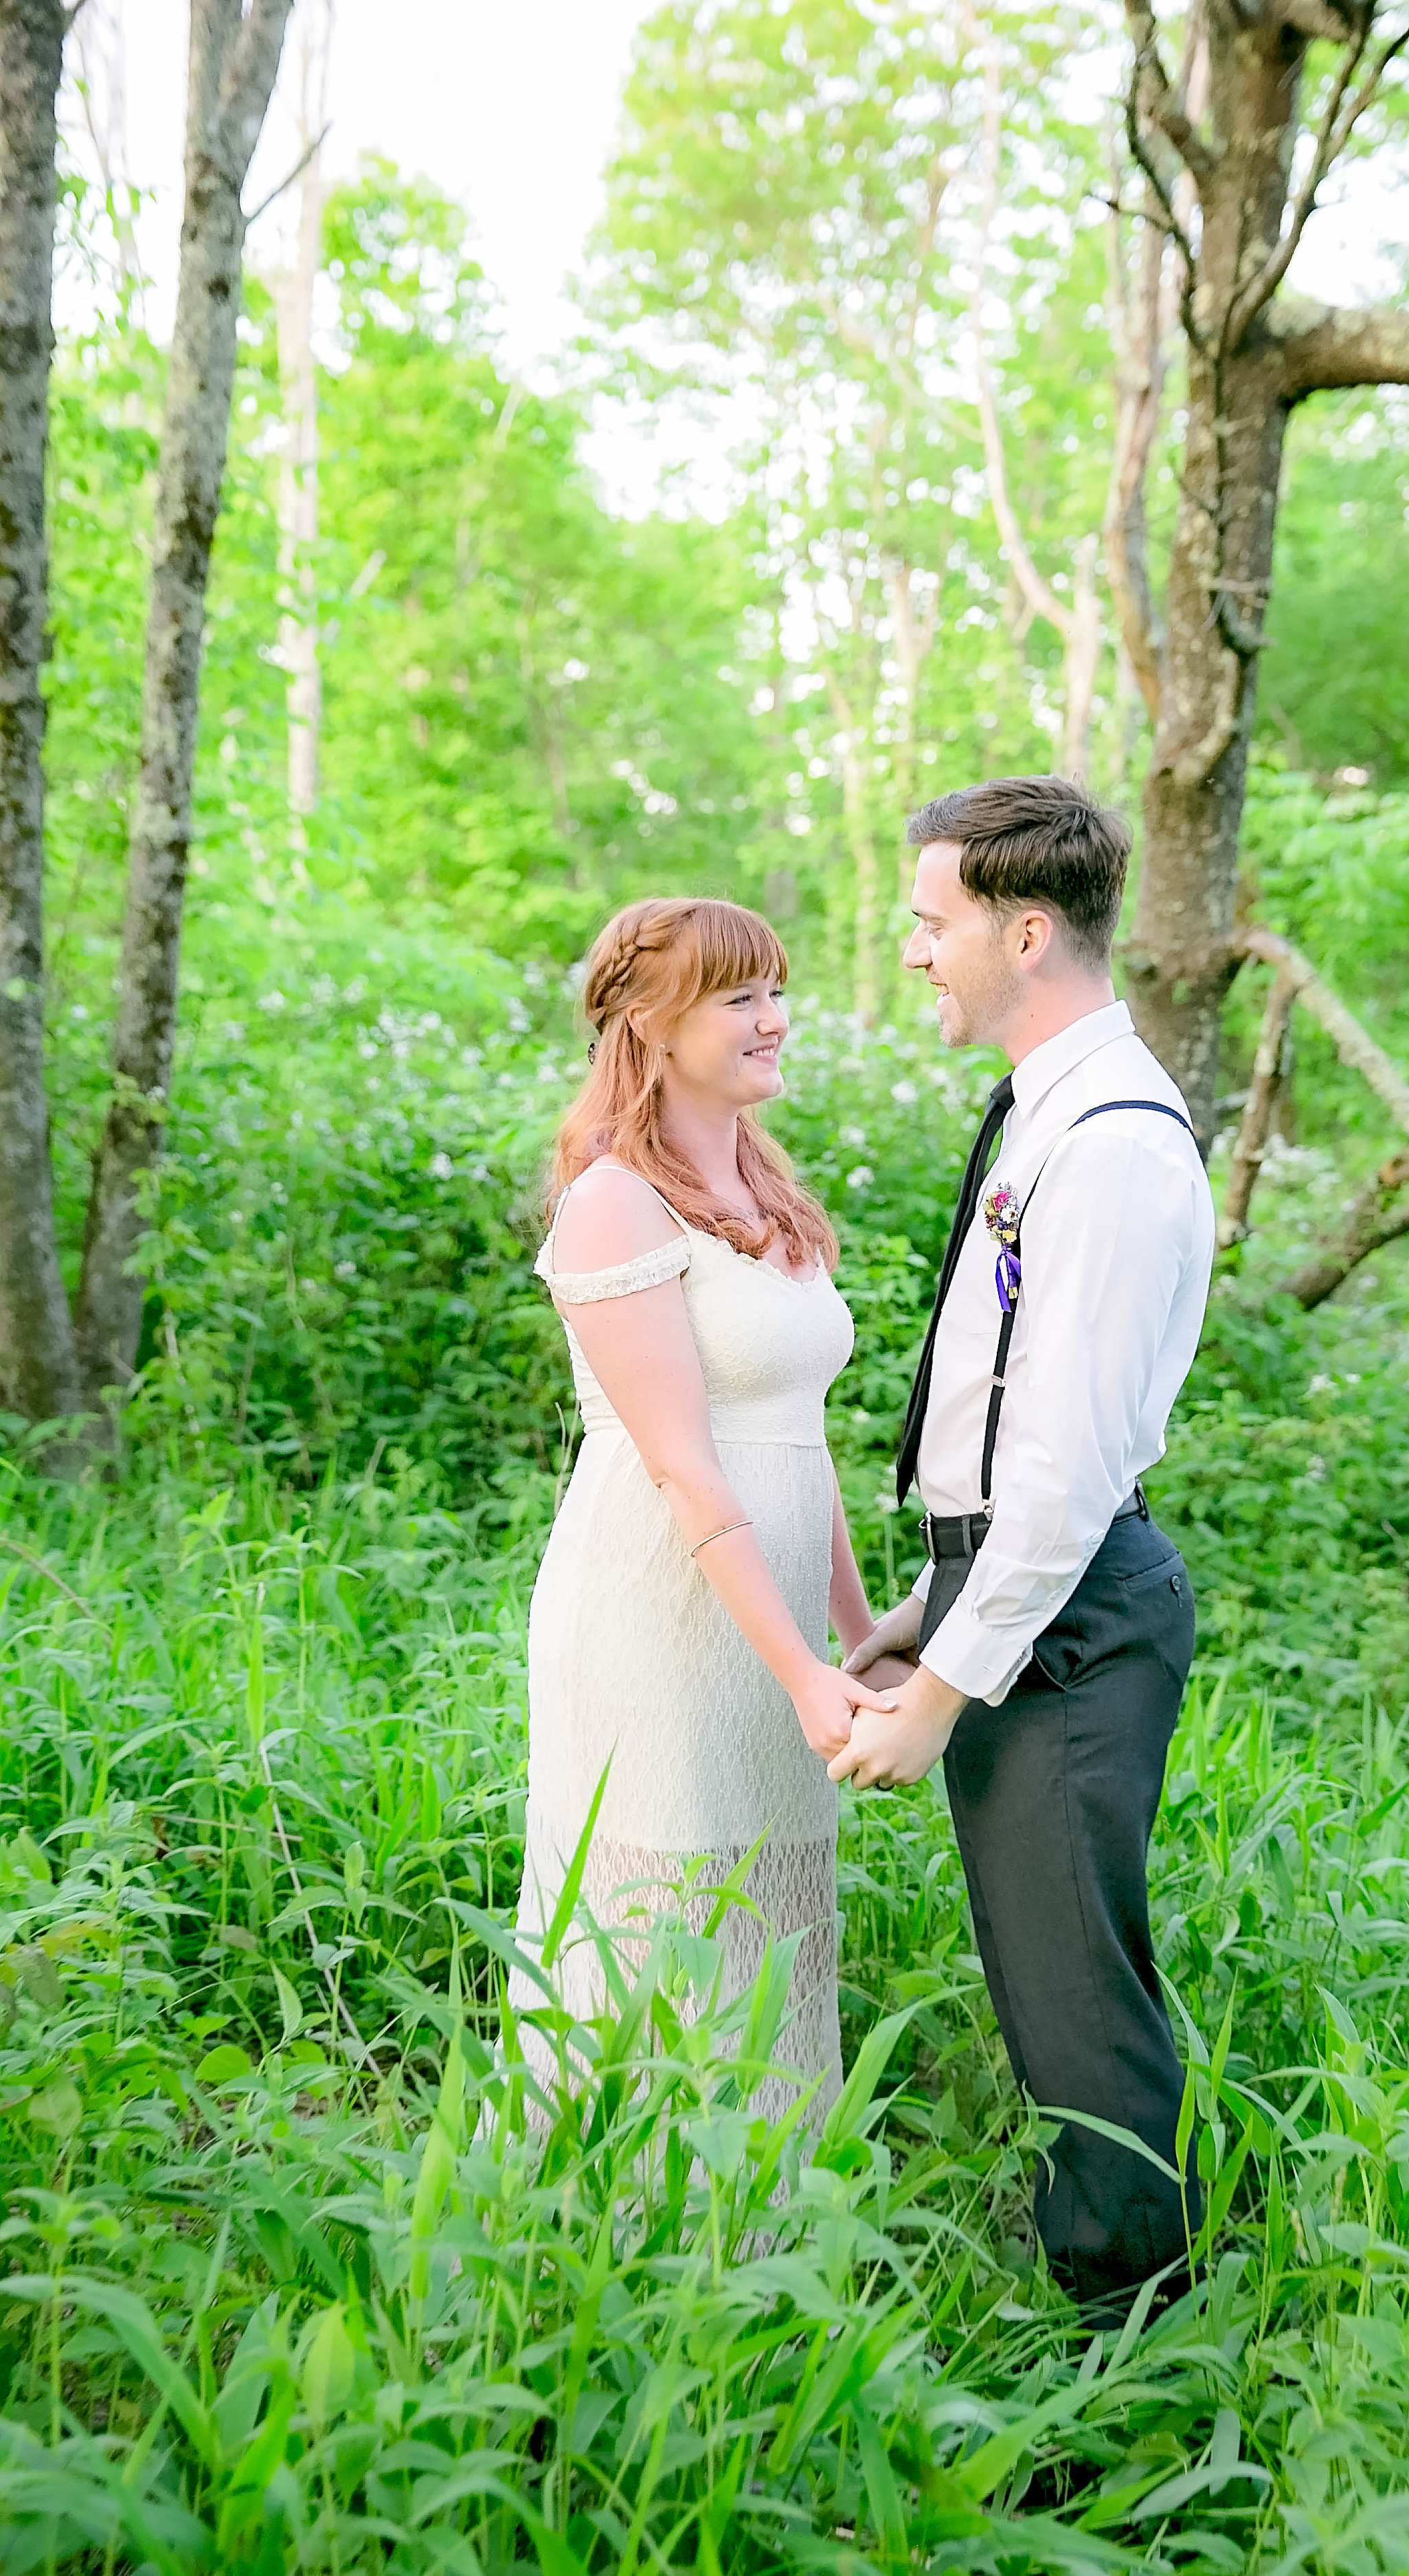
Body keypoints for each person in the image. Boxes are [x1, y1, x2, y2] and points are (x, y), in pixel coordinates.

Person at [836, 775, 1215, 2315]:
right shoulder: (1045, 1109)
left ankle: (1133, 2360)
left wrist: (942, 1696)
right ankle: (1126, 2297)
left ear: (1027, 930)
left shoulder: (1114, 1143)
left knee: (1076, 2009)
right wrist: (931, 1604)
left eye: (931, 923)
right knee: (1051, 1985)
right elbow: (1005, 1410)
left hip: (1065, 1617)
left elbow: (1062, 1471)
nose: (911, 949)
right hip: (1008, 1593)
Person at [509, 896, 894, 2129]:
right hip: (659, 1619)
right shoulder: (617, 1201)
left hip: (771, 1620)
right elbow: (684, 1463)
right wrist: (798, 1667)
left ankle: (764, 2212)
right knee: (668, 1914)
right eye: (741, 998)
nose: (775, 1021)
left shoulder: (772, 1195)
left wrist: (857, 1630)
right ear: (649, 1022)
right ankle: (617, 2221)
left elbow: (799, 1436)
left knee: (771, 1912)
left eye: (778, 991)